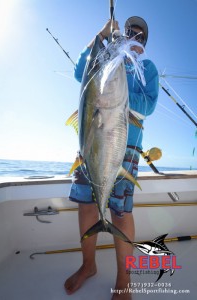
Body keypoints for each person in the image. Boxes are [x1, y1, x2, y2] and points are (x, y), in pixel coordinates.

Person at [64, 16, 159, 299]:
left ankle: (123, 279)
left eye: (141, 35)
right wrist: (101, 35)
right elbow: (80, 70)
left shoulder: (146, 69)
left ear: (144, 43)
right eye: (131, 31)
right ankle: (88, 265)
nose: (135, 36)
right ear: (123, 33)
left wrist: (119, 84)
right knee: (86, 207)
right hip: (91, 146)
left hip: (124, 150)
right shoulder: (105, 56)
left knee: (121, 214)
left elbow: (149, 105)